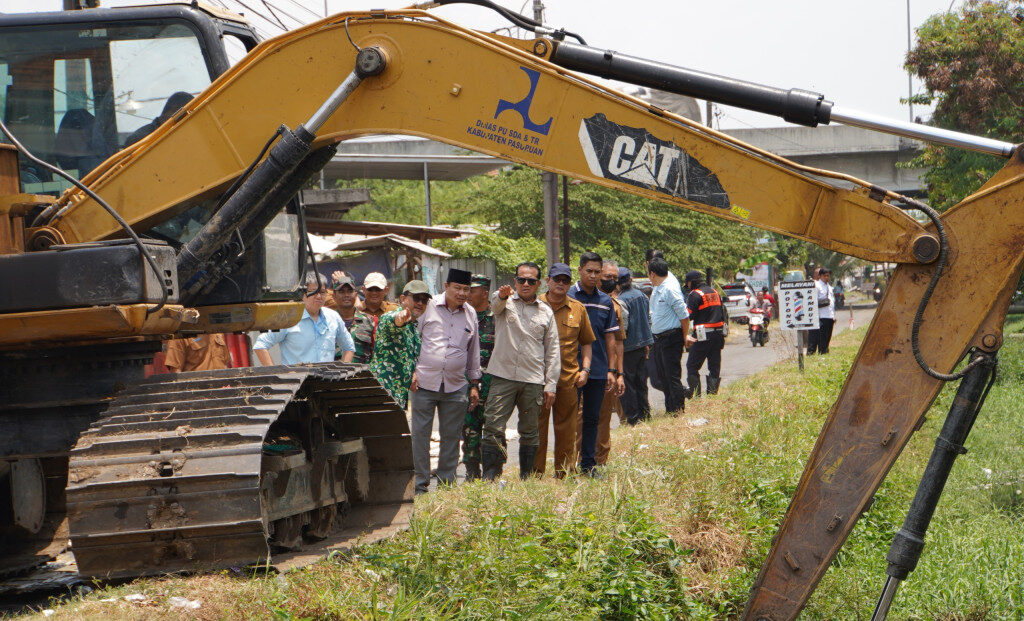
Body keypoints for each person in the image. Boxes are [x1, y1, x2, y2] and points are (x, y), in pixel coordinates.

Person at [480, 263, 560, 481]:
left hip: (532, 379)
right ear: (515, 281)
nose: (526, 284)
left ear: (539, 283)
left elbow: (552, 351)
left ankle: (527, 477)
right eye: (521, 280)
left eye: (531, 281)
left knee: (530, 430)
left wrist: (550, 384)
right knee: (493, 426)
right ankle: (491, 475)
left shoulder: (546, 312)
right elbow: (495, 305)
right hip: (503, 375)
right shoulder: (505, 302)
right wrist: (503, 295)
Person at [409, 268, 481, 494]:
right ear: (446, 286)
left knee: (451, 439)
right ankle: (420, 487)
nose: (461, 293)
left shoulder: (470, 313)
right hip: (424, 383)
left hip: (456, 384)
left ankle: (446, 487)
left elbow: (473, 352)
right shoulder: (428, 307)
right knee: (420, 436)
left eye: (466, 289)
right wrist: (411, 371)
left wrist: (474, 384)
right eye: (457, 288)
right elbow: (412, 340)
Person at [534, 263, 595, 478]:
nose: (560, 284)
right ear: (547, 281)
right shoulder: (534, 304)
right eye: (556, 279)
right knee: (537, 429)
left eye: (565, 280)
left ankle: (563, 474)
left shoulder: (578, 309)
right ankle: (536, 474)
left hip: (568, 378)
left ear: (570, 283)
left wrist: (585, 370)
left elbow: (587, 342)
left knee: (567, 430)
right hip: (537, 379)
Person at [569, 252, 620, 475]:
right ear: (579, 270)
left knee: (592, 418)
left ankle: (588, 465)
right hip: (570, 369)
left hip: (598, 370)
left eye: (597, 272)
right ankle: (565, 464)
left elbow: (611, 338)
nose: (593, 275)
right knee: (568, 419)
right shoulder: (568, 296)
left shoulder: (605, 301)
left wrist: (612, 370)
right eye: (589, 271)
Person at [253, 272, 355, 365]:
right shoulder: (288, 318)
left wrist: (343, 374)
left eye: (322, 292)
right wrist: (274, 374)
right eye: (313, 292)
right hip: (297, 382)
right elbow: (260, 345)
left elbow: (349, 347)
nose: (319, 296)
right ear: (302, 294)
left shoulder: (333, 317)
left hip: (327, 383)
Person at [370, 280, 430, 409]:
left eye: (424, 300)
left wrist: (412, 373)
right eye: (416, 298)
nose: (420, 303)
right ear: (403, 298)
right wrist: (400, 317)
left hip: (398, 396)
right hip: (381, 395)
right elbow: (395, 321)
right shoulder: (389, 317)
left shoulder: (413, 327)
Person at [462, 274, 495, 481]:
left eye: (471, 290)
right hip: (467, 383)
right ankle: (471, 471)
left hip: (494, 383)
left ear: (484, 293)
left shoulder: (498, 317)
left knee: (493, 428)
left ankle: (492, 472)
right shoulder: (463, 316)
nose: (467, 294)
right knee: (469, 429)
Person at [593, 259, 627, 467]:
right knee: (580, 420)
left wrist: (619, 373)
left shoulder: (615, 306)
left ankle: (600, 462)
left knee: (604, 419)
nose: (612, 282)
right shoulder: (577, 302)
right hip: (583, 370)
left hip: (607, 372)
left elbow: (618, 343)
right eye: (608, 277)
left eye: (615, 278)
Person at [647, 257, 689, 414]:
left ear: (652, 274)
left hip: (672, 337)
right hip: (659, 339)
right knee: (662, 377)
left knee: (672, 377)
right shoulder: (658, 287)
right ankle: (670, 409)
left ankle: (678, 410)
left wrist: (685, 337)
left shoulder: (670, 289)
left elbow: (684, 316)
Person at [617, 267, 654, 425]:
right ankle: (645, 414)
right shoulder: (642, 296)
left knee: (629, 384)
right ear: (630, 280)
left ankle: (633, 418)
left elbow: (623, 327)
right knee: (641, 382)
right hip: (643, 345)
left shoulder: (621, 301)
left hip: (628, 347)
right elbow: (648, 320)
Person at [684, 270, 726, 396]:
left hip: (703, 335)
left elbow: (689, 316)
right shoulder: (715, 292)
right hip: (718, 334)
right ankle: (712, 395)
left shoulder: (695, 294)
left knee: (692, 366)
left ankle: (696, 395)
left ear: (692, 282)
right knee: (714, 366)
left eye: (688, 284)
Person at [329, 273, 377, 364]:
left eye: (350, 291)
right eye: (341, 291)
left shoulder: (370, 322)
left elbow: (377, 353)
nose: (346, 295)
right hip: (334, 375)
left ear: (356, 294)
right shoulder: (327, 322)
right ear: (334, 296)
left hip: (363, 375)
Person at [164, 334, 233, 373]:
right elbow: (175, 372)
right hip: (196, 392)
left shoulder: (217, 333)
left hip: (221, 390)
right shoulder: (179, 336)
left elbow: (224, 364)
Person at [808, 267, 836, 355]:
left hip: (829, 316)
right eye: (825, 276)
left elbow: (832, 302)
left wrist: (833, 315)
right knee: (820, 338)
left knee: (827, 337)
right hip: (821, 316)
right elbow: (813, 301)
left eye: (828, 276)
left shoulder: (829, 287)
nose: (827, 278)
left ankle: (824, 352)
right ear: (820, 276)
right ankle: (821, 352)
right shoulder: (817, 286)